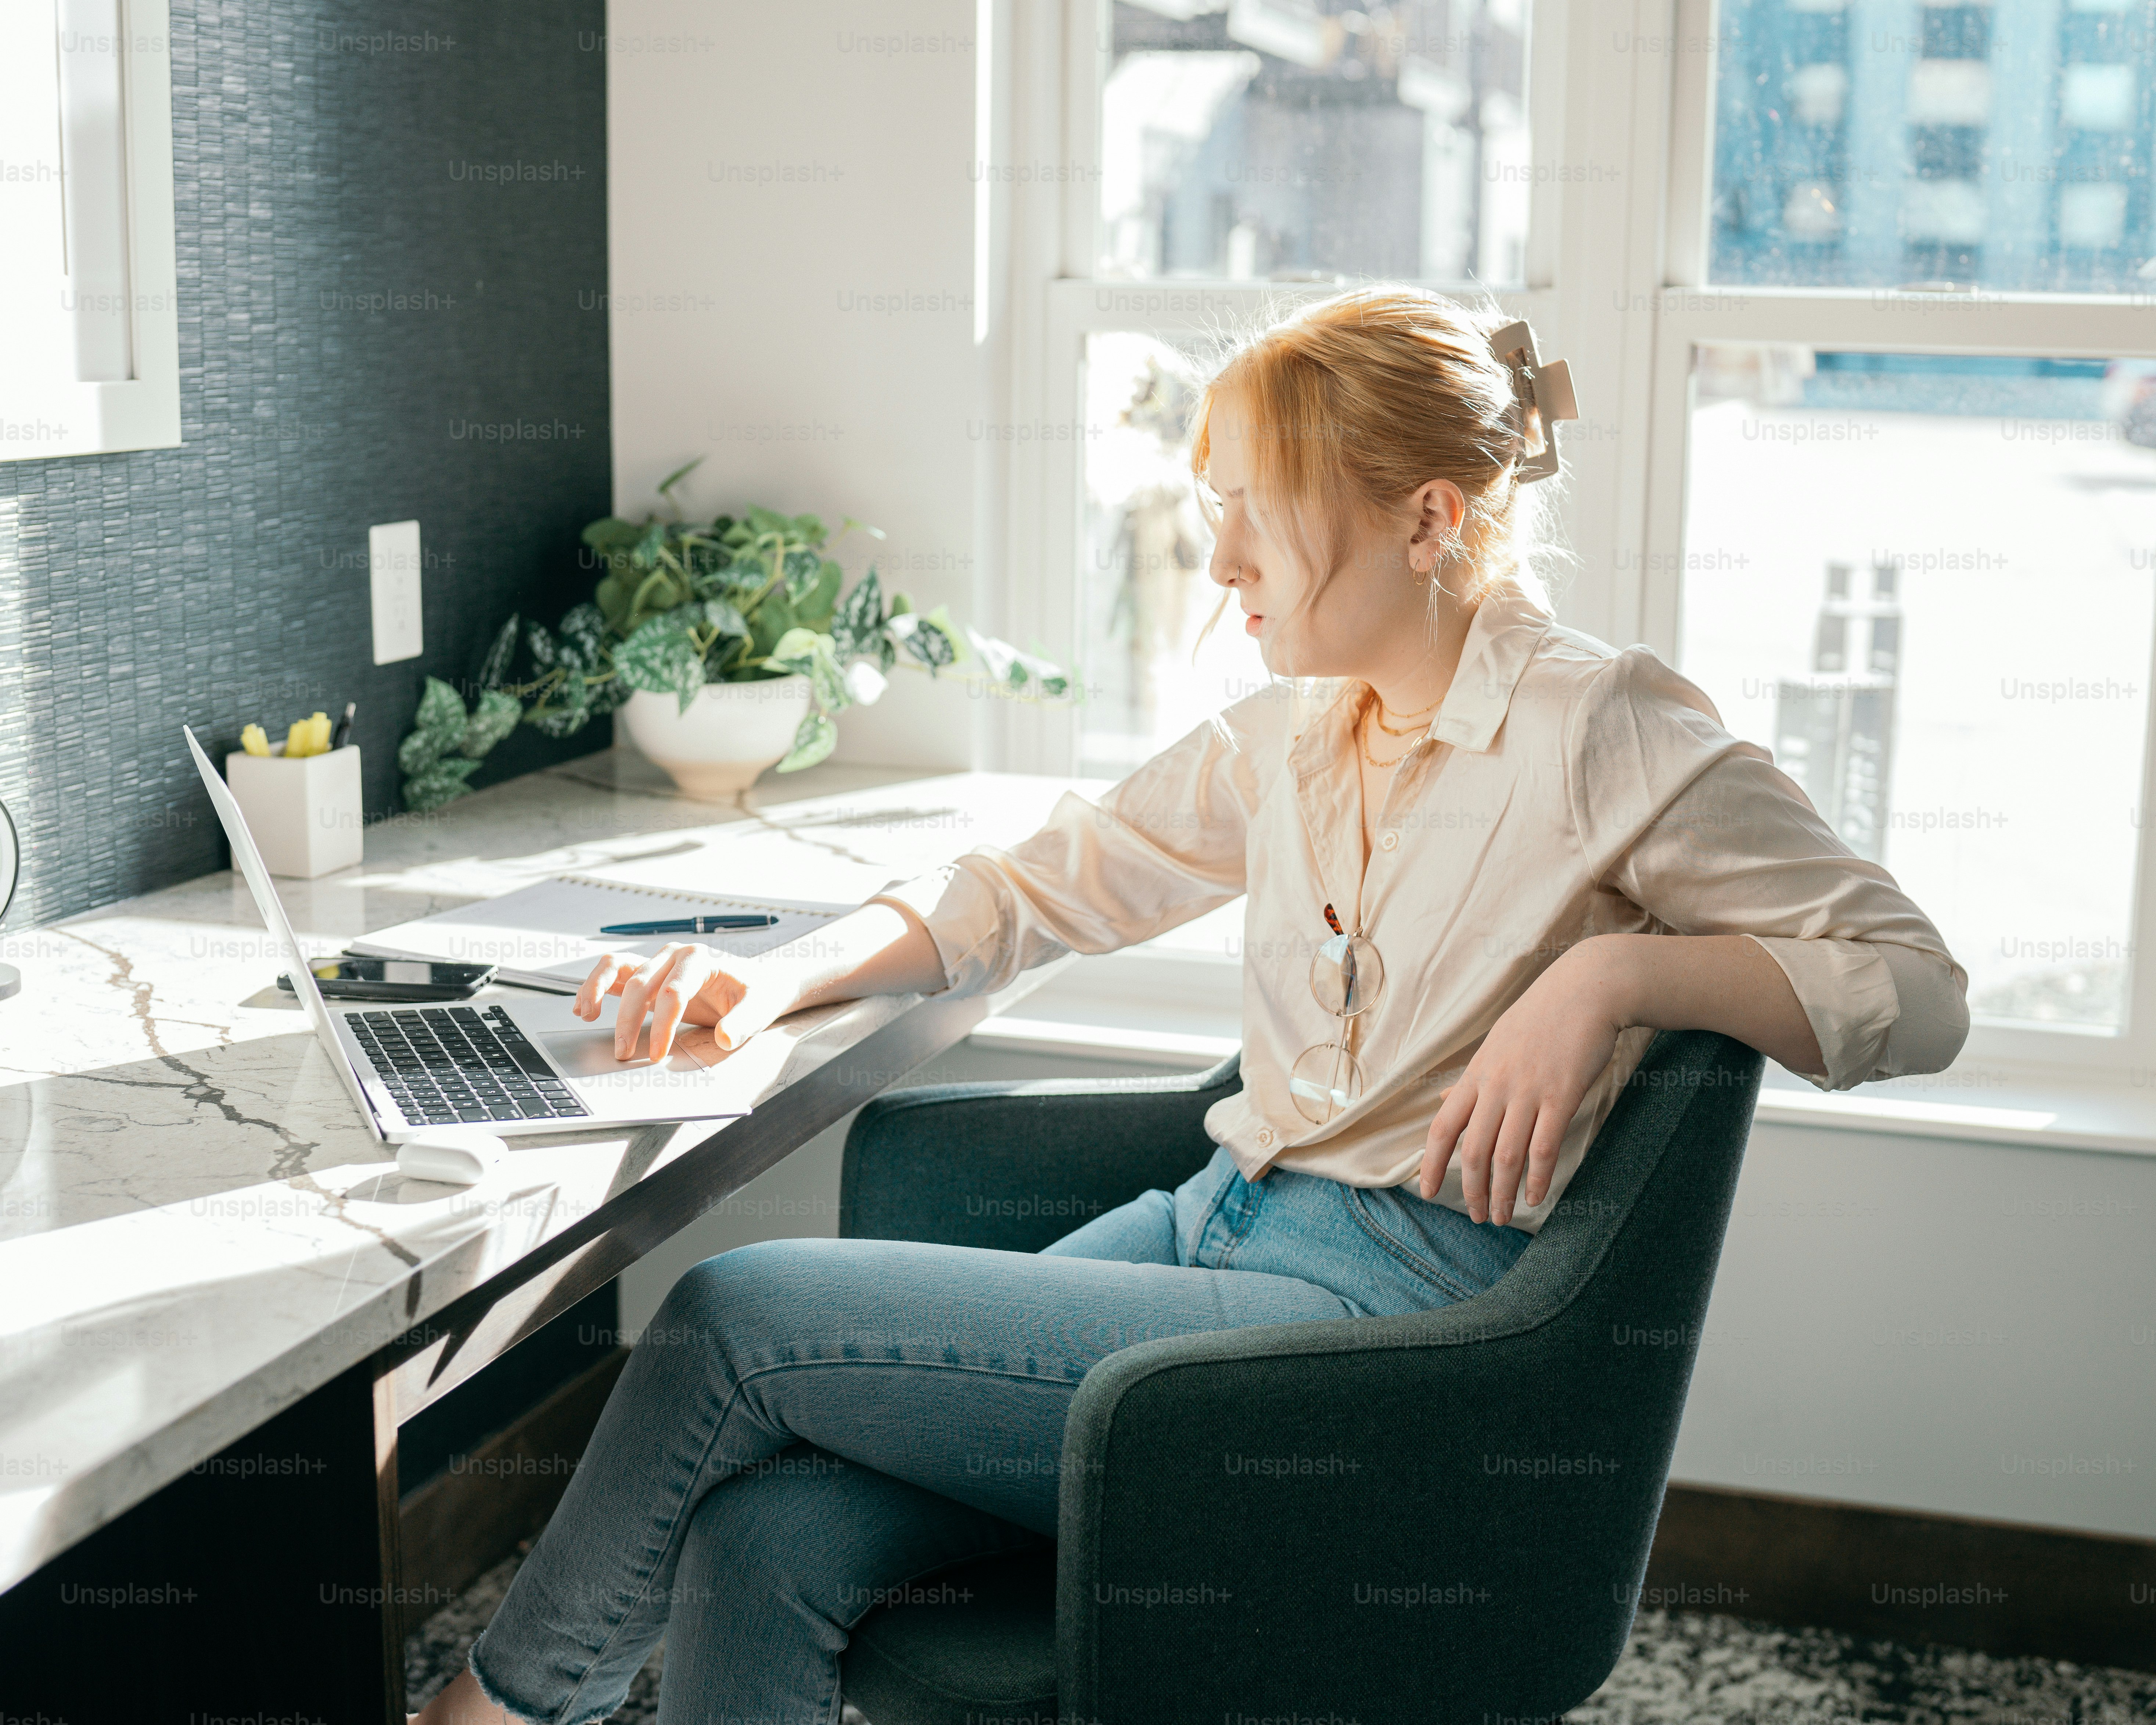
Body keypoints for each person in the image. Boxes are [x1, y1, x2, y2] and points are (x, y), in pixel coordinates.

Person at [414, 288, 1968, 1724]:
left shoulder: (1602, 729)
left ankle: (488, 1712)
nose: (1217, 558)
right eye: (1212, 505)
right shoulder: (1298, 730)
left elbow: (1917, 986)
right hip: (1208, 1232)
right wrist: (774, 974)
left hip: (1373, 1337)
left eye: (1256, 514)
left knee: (729, 1316)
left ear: (1428, 520)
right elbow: (1040, 881)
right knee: (760, 1538)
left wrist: (1619, 967)